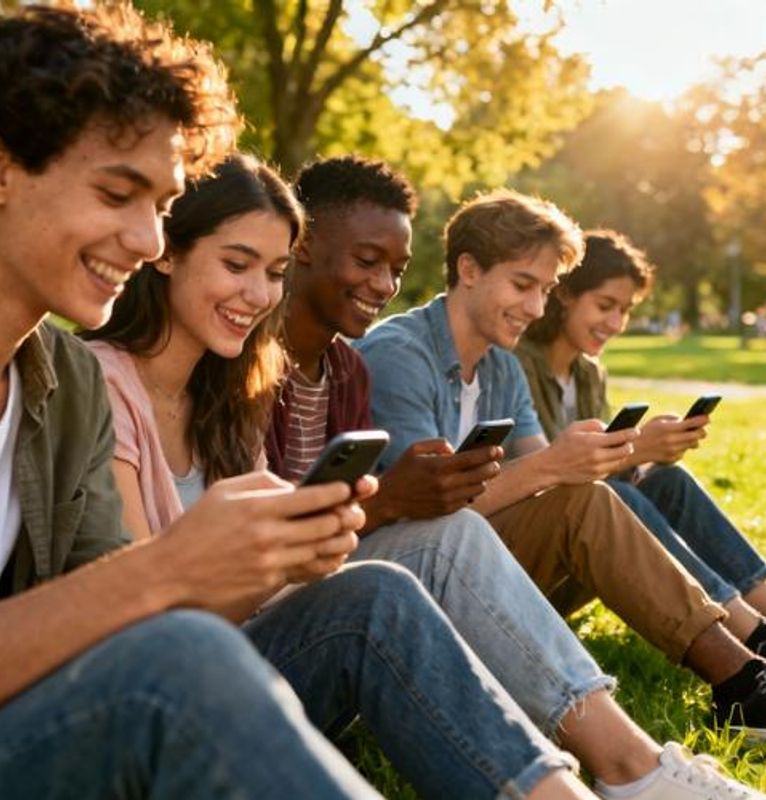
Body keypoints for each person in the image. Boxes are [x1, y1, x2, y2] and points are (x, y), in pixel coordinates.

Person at [0, 7, 588, 800]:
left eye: (161, 207)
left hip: (63, 725)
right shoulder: (104, 377)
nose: (149, 241)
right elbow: (139, 618)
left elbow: (107, 623)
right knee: (183, 661)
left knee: (367, 594)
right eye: (118, 193)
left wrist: (267, 558)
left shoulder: (64, 385)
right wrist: (168, 569)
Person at [82, 153, 597, 799]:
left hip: (245, 653)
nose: (260, 295)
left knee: (379, 585)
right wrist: (281, 555)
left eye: (274, 273)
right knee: (376, 593)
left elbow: (261, 592)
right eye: (237, 265)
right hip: (157, 690)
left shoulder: (232, 394)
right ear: (166, 252)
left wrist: (309, 546)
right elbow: (142, 620)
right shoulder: (101, 383)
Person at [269, 154, 766, 799]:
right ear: (468, 270)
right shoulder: (395, 356)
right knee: (564, 506)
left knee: (593, 496)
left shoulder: (498, 367)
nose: (535, 307)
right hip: (404, 580)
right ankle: (732, 687)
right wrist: (556, 466)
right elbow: (430, 511)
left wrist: (598, 456)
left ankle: (739, 668)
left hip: (462, 570)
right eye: (523, 285)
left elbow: (541, 473)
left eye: (545, 291)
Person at [515, 228, 766, 718]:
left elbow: (607, 474)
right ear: (564, 295)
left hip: (590, 539)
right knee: (619, 494)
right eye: (604, 305)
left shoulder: (589, 372)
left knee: (668, 481)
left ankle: (762, 612)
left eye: (624, 310)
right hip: (540, 555)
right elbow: (549, 484)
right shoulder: (517, 366)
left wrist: (648, 456)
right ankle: (748, 634)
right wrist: (634, 450)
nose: (615, 323)